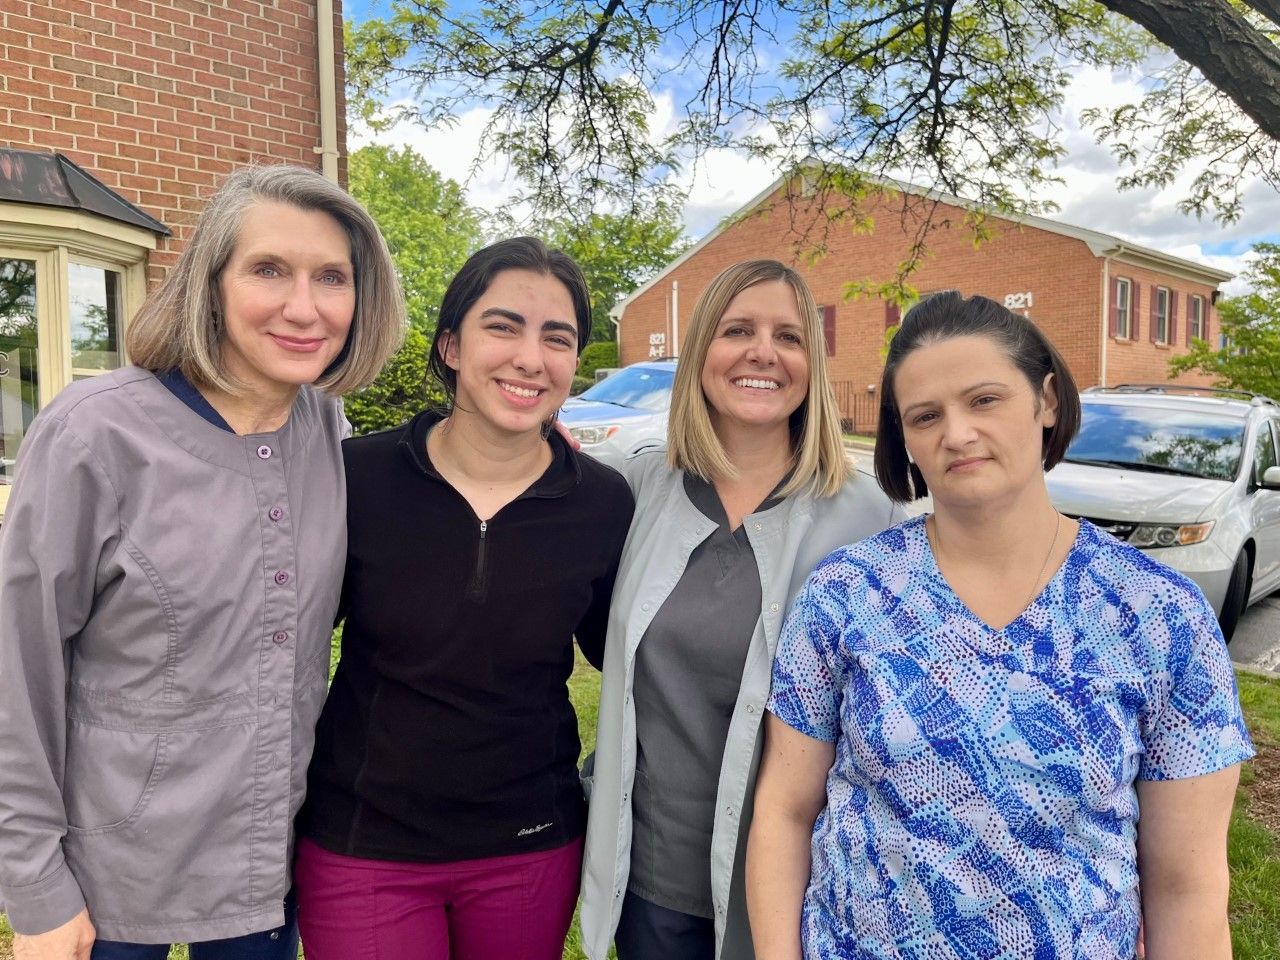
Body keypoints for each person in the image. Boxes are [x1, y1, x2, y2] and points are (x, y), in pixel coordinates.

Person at [748, 291, 1254, 960]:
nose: (956, 433)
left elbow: (1187, 887)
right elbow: (784, 811)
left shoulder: (1158, 616)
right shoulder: (847, 594)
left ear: (1045, 402)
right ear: (906, 442)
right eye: (926, 416)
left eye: (983, 400)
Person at [0, 164, 405, 960]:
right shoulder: (95, 434)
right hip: (111, 885)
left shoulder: (326, 429)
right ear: (209, 283)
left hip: (267, 866)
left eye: (332, 277)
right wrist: (34, 887)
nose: (303, 306)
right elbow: (19, 668)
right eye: (269, 270)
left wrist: (522, 450)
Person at [294, 236, 634, 960]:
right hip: (365, 846)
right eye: (502, 326)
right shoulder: (356, 478)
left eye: (558, 337)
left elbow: (626, 656)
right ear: (451, 344)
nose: (530, 358)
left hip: (528, 847)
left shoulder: (602, 504)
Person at [579, 260, 902, 960]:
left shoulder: (873, 520)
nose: (763, 352)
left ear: (810, 365)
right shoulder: (636, 492)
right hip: (656, 888)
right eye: (737, 330)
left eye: (788, 336)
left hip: (805, 891)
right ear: (700, 353)